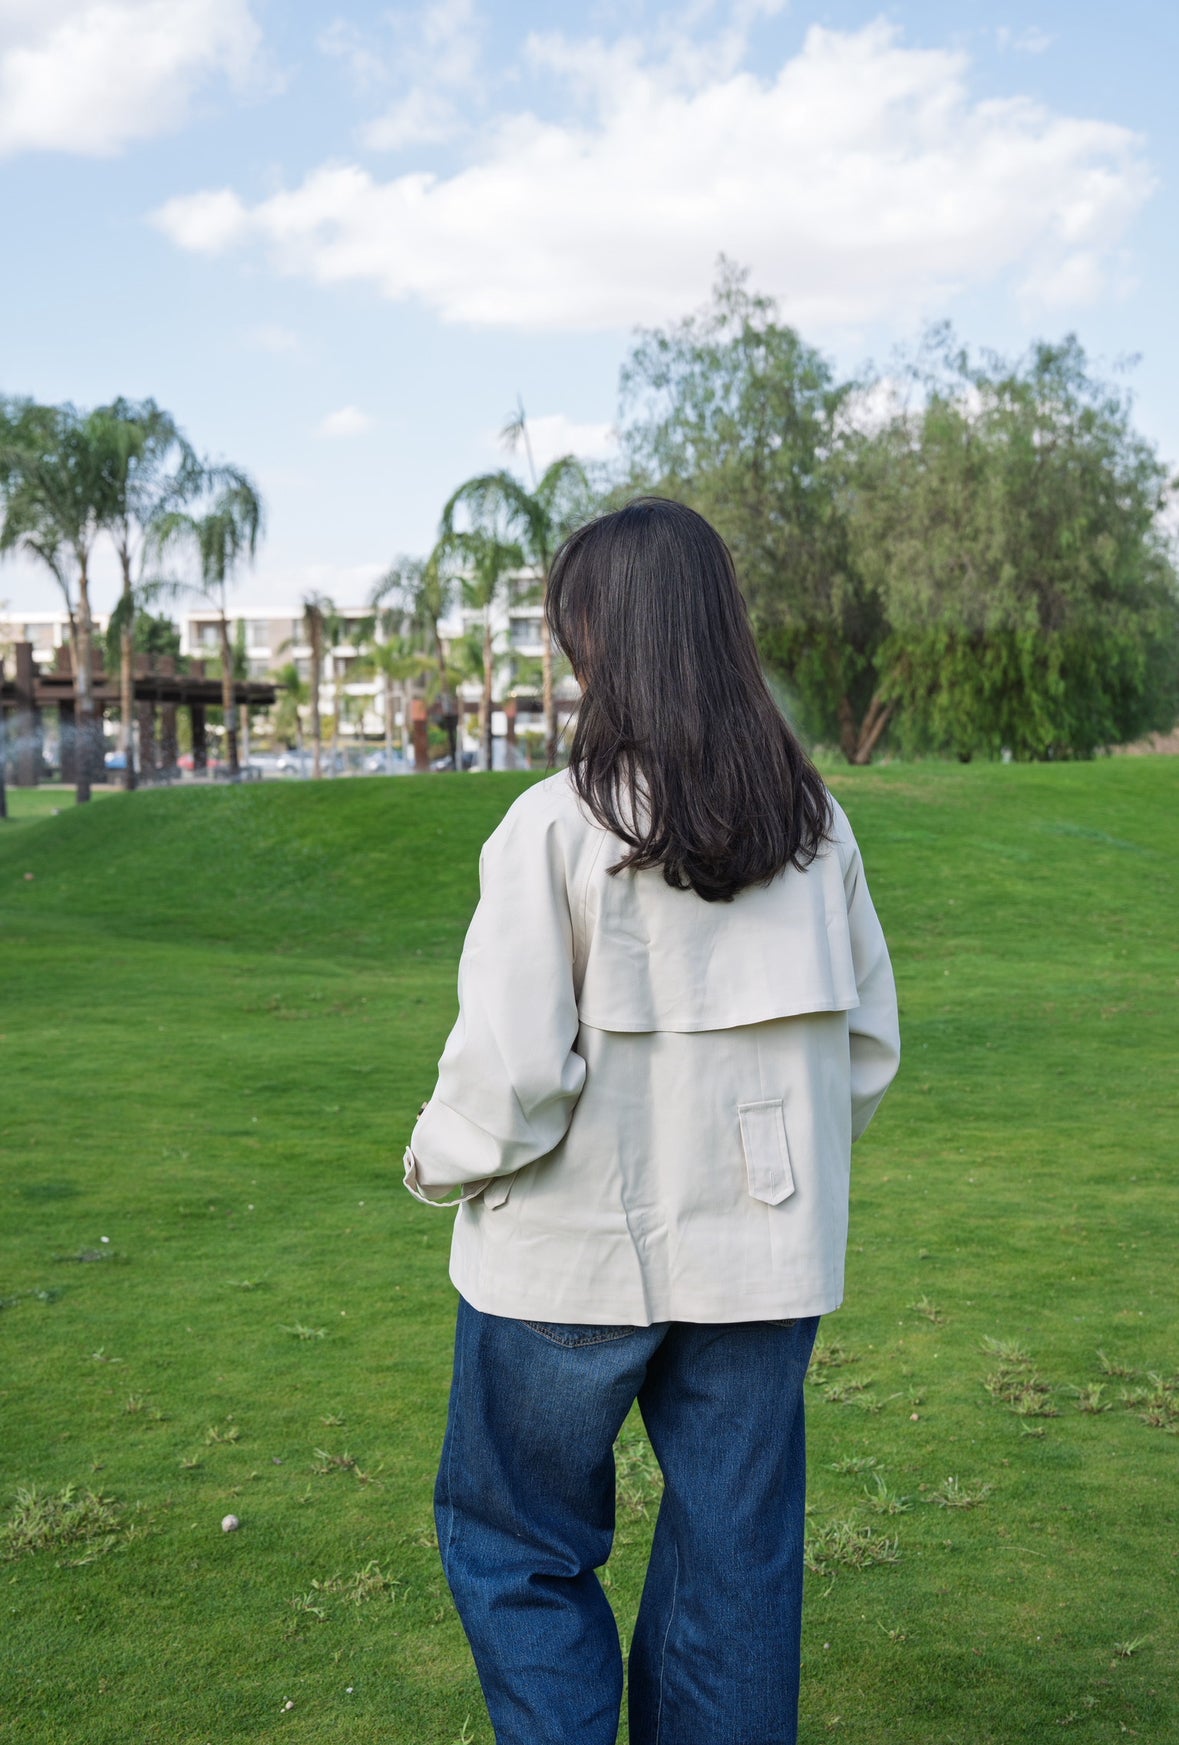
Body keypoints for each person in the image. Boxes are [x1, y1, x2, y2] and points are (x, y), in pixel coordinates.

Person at [403, 497, 900, 1745]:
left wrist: (437, 1159)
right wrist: (772, 1168)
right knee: (736, 1560)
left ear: (605, 639)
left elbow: (513, 1074)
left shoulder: (557, 826)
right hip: (763, 1256)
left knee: (516, 1538)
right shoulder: (812, 827)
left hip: (565, 1258)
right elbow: (863, 1052)